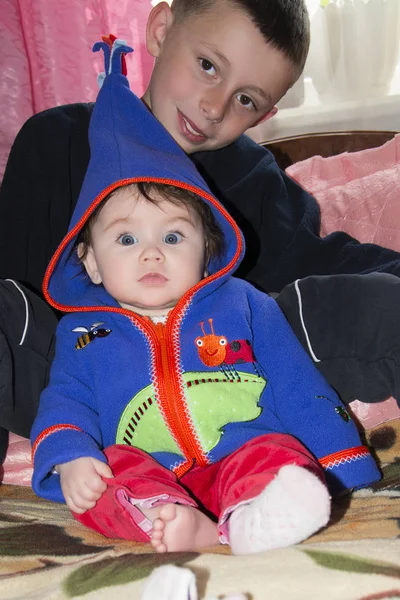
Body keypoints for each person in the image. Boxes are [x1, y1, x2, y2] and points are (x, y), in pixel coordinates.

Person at [2, 0, 400, 459]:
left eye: (245, 100)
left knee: (381, 302)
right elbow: (17, 292)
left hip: (224, 376)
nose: (214, 107)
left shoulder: (252, 177)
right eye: (208, 66)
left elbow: (327, 265)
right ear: (160, 29)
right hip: (80, 386)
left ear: (264, 117)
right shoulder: (54, 141)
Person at [30, 38, 380, 555]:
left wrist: (341, 462)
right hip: (150, 471)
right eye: (126, 239)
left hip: (239, 454)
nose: (151, 254)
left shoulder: (243, 303)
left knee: (278, 452)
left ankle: (251, 519)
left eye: (172, 238)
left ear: (207, 246)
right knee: (107, 475)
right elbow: (66, 400)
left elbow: (296, 384)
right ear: (90, 260)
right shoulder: (82, 332)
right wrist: (71, 453)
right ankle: (168, 520)